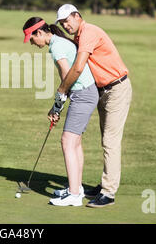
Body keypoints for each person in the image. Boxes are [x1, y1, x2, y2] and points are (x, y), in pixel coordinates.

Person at [50, 4, 132, 208]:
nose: (66, 25)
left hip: (116, 88)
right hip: (102, 91)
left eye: (68, 20)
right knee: (105, 139)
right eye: (62, 23)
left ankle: (109, 192)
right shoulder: (79, 36)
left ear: (77, 16)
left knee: (110, 141)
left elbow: (78, 68)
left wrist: (61, 91)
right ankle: (103, 185)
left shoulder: (89, 32)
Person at [22, 17, 99, 207]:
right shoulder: (59, 42)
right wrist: (59, 104)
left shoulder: (56, 47)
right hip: (85, 93)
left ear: (39, 33)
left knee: (67, 141)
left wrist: (57, 106)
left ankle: (73, 195)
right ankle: (77, 188)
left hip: (83, 94)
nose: (32, 43)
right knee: (75, 142)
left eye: (32, 39)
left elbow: (67, 78)